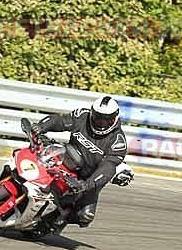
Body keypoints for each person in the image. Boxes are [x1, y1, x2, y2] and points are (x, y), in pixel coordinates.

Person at [31, 95, 129, 227]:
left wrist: (87, 184)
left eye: (106, 120)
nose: (101, 123)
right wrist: (42, 126)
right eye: (98, 118)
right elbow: (61, 120)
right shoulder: (82, 116)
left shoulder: (118, 142)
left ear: (115, 118)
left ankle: (54, 219)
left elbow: (107, 168)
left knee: (85, 216)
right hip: (67, 159)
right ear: (92, 113)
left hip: (88, 178)